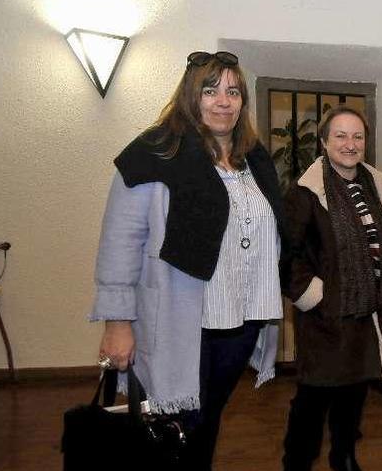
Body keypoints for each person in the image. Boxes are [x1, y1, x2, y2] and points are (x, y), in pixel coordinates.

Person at [91, 51, 286, 470]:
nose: (223, 101)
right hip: (182, 318)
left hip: (243, 318)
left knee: (207, 419)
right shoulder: (155, 152)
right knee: (175, 423)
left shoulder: (254, 160)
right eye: (210, 90)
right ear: (190, 96)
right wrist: (117, 321)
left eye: (233, 92)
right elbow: (120, 241)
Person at [280, 105, 382, 471]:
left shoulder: (377, 184)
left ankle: (344, 457)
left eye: (357, 136)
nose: (350, 144)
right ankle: (297, 463)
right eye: (341, 136)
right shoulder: (304, 193)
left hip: (365, 314)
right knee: (312, 400)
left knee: (353, 394)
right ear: (325, 143)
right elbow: (285, 257)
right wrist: (315, 296)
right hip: (324, 319)